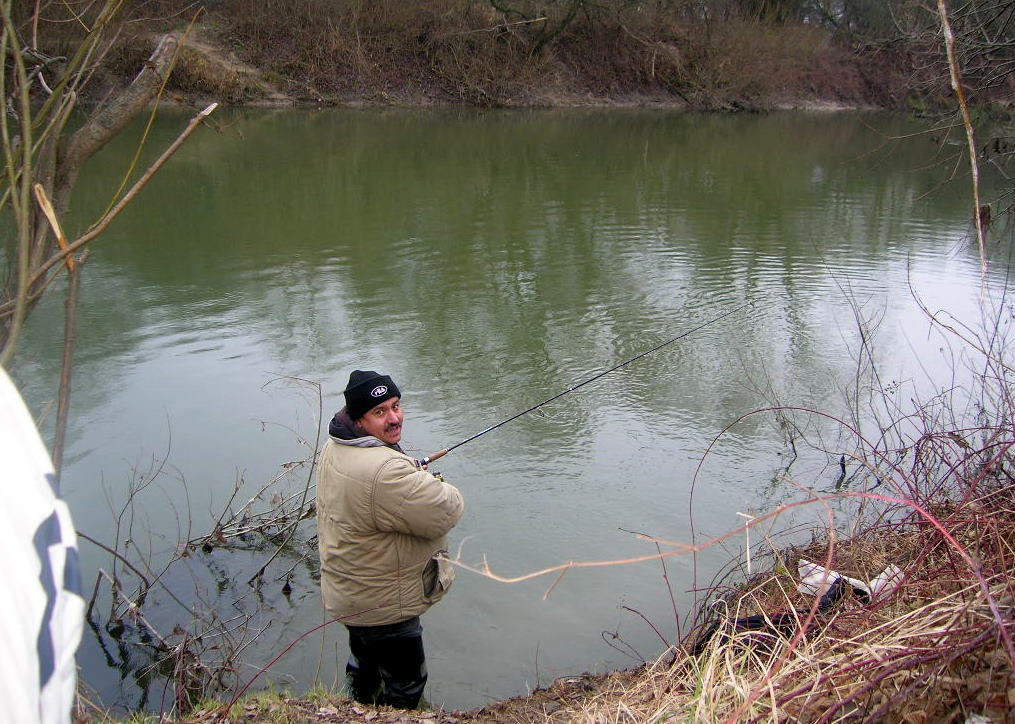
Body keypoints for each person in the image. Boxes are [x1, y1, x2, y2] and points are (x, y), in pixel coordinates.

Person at [316, 369, 465, 709]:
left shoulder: (336, 445)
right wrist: (428, 481)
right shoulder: (384, 471)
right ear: (359, 419)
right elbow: (447, 509)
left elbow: (374, 488)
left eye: (396, 406)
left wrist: (403, 471)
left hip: (350, 594)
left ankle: (356, 708)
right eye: (379, 412)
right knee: (407, 684)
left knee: (365, 665)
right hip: (385, 605)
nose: (394, 418)